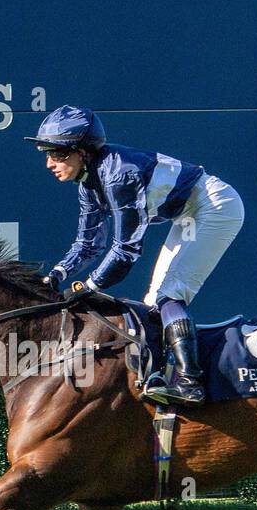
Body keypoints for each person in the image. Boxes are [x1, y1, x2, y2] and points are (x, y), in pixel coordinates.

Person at [25, 105, 245, 405]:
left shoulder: (119, 175)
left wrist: (90, 286)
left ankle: (191, 383)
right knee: (155, 300)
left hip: (214, 206)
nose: (50, 162)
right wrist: (57, 275)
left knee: (170, 293)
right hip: (190, 212)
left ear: (84, 151)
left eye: (59, 153)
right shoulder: (89, 182)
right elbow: (87, 243)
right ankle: (167, 376)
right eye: (47, 153)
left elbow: (126, 250)